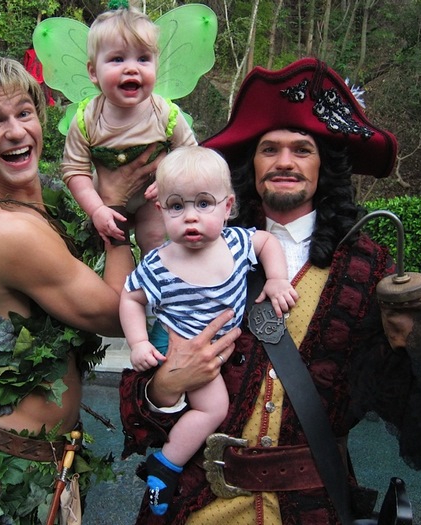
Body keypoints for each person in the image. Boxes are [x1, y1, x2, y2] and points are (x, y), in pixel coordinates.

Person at [119, 57, 421, 524]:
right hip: (198, 503)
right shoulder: (186, 253)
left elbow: (411, 407)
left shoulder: (370, 268)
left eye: (302, 149)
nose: (284, 162)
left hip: (313, 507)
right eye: (269, 149)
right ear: (250, 165)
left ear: (324, 163)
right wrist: (166, 385)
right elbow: (142, 406)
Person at [0, 37, 158, 525]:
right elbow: (114, 314)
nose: (16, 131)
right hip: (19, 477)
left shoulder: (30, 209)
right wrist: (114, 210)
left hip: (45, 461)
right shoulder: (7, 231)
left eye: (24, 113)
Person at [120, 145, 298, 515]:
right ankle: (166, 464)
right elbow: (131, 297)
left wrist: (277, 278)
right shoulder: (158, 264)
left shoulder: (235, 242)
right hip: (186, 351)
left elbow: (267, 241)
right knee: (214, 408)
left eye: (203, 203)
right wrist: (137, 342)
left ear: (227, 206)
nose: (191, 217)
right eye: (177, 206)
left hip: (226, 348)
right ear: (160, 210)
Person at [61, 6, 197, 254]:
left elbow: (191, 155)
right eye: (117, 59)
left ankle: (154, 273)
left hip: (150, 197)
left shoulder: (165, 113)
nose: (132, 68)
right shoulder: (86, 119)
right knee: (109, 243)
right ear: (93, 72)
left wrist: (170, 182)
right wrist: (96, 209)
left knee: (152, 237)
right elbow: (74, 170)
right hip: (106, 198)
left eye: (143, 58)